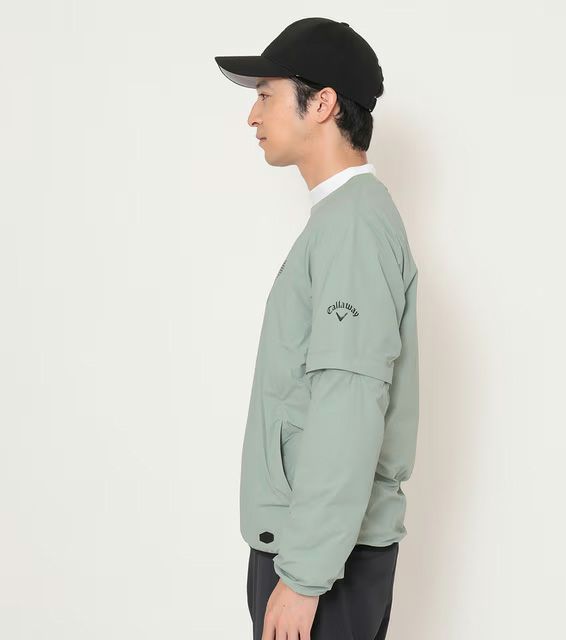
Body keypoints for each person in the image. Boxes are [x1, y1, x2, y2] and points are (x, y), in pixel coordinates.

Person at [214, 17, 420, 640]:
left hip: (323, 561)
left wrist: (304, 575)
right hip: (317, 547)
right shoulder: (341, 219)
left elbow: (349, 402)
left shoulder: (353, 228)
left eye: (266, 94)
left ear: (323, 103)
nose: (252, 116)